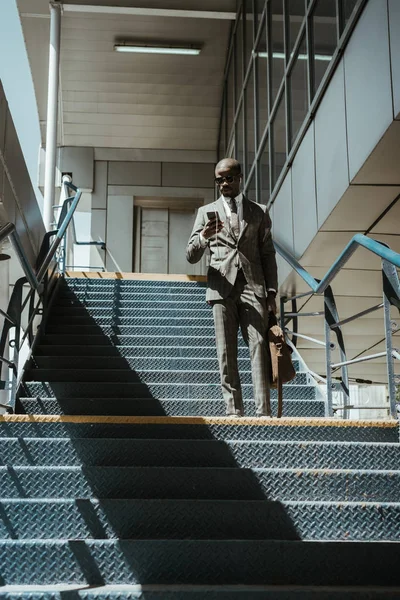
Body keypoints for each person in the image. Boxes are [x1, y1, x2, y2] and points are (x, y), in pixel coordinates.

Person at [186, 158, 278, 418]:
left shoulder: (259, 211)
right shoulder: (206, 212)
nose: (224, 184)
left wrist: (271, 292)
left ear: (239, 178)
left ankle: (263, 412)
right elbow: (190, 255)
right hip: (221, 288)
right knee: (226, 352)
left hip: (253, 287)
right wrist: (204, 236)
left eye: (228, 178)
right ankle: (234, 410)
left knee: (259, 346)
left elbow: (267, 253)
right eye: (219, 180)